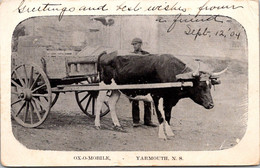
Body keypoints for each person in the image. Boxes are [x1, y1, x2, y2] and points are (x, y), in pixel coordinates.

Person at [131, 38, 157, 127]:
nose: (134, 46)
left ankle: (148, 120)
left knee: (147, 100)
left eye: (136, 44)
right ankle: (136, 120)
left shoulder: (146, 54)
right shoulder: (131, 56)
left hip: (145, 80)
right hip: (135, 80)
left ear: (140, 44)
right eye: (133, 44)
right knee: (135, 100)